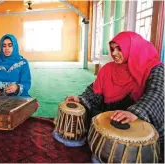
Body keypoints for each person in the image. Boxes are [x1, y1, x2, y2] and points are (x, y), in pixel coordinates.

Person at [65, 31, 164, 160]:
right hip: (113, 117)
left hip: (139, 121)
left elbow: (158, 93)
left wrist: (136, 113)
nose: (114, 53)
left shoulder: (155, 68)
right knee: (89, 114)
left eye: (119, 48)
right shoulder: (108, 69)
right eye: (112, 49)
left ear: (133, 48)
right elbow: (95, 90)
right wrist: (81, 99)